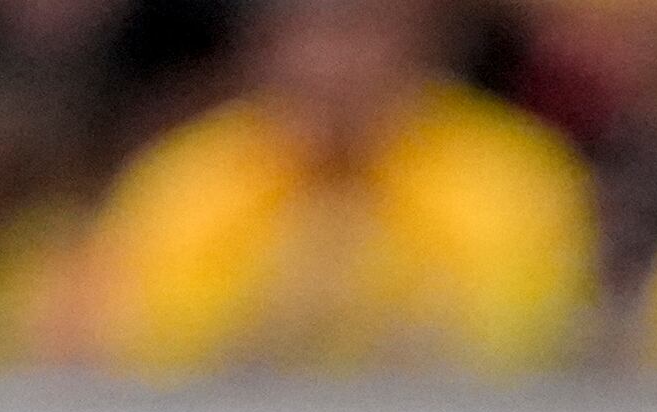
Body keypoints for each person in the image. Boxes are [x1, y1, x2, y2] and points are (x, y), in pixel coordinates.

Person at [53, 0, 595, 377]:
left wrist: (372, 302)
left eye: (361, 32)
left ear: (419, 39)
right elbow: (122, 336)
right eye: (309, 35)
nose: (332, 63)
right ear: (264, 47)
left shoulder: (514, 174)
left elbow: (539, 339)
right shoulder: (188, 176)